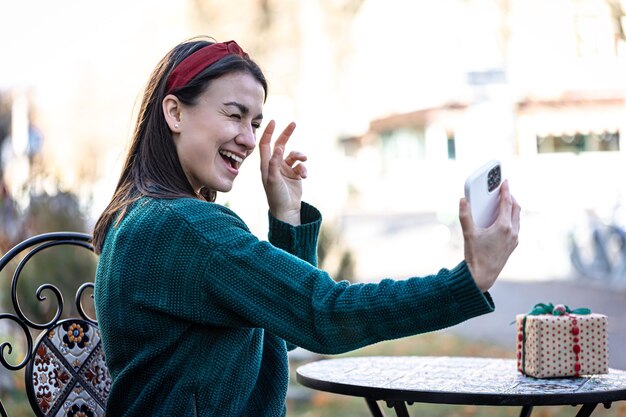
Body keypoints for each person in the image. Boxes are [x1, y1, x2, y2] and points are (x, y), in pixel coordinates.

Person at [92, 36, 521, 417]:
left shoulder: (140, 215)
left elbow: (287, 324)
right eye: (234, 114)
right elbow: (324, 313)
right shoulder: (187, 229)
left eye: (255, 123)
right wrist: (467, 282)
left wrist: (287, 216)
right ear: (175, 112)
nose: (247, 138)